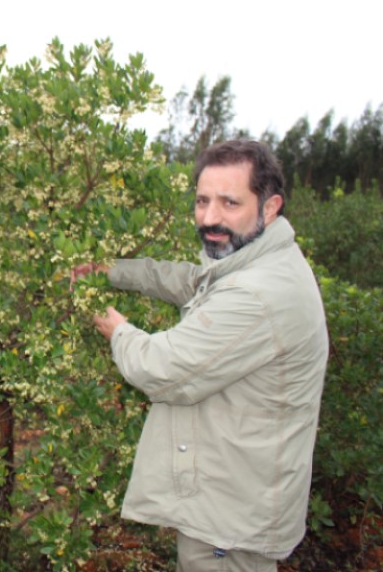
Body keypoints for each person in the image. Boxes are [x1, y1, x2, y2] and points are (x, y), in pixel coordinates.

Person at [72, 140, 328, 571]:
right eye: (202, 201)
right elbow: (194, 281)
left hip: (229, 521)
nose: (210, 218)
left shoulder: (257, 295)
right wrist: (112, 271)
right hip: (234, 497)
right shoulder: (258, 261)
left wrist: (115, 328)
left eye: (230, 202)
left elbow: (162, 369)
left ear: (269, 207)